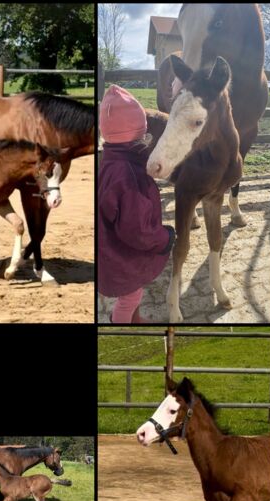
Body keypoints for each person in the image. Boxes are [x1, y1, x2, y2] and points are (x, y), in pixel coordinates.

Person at [98, 84, 175, 323]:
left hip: (110, 248)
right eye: (143, 133)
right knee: (129, 297)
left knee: (133, 293)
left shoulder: (111, 162)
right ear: (137, 134)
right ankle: (121, 323)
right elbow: (137, 229)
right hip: (121, 255)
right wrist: (164, 238)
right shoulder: (128, 175)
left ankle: (134, 317)